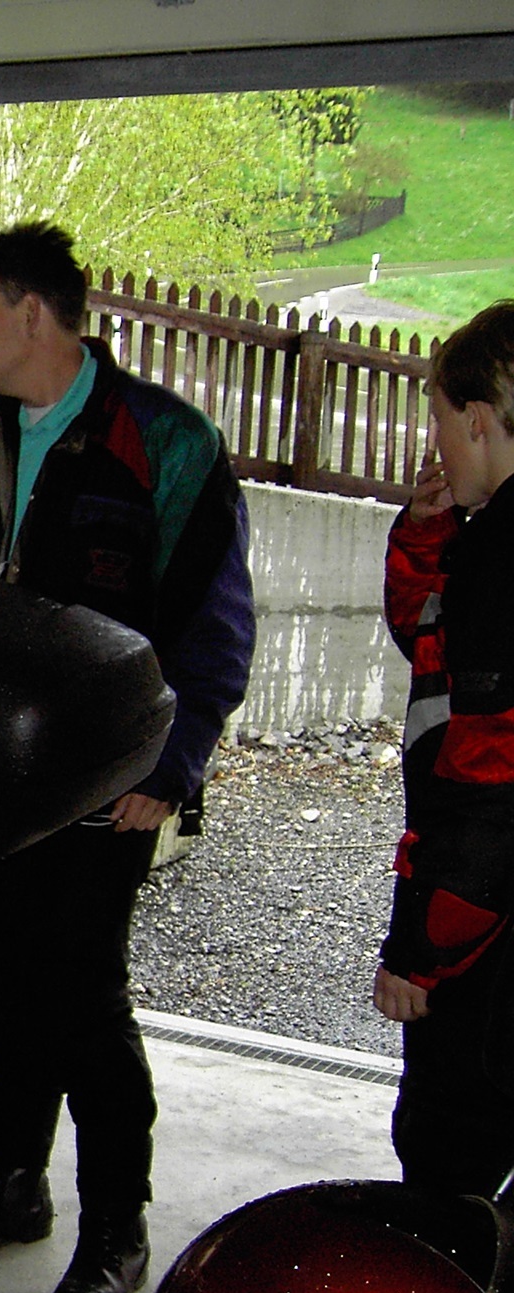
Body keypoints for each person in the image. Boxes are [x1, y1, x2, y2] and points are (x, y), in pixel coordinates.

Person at [0, 222, 255, 1293]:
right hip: (0, 780)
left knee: (81, 997)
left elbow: (215, 628)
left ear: (33, 314)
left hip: (110, 784)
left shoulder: (165, 442)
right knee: (4, 980)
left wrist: (172, 767)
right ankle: (12, 1181)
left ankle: (116, 1221)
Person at [375, 301, 514, 1196]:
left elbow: (488, 790)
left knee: (449, 1162)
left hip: (490, 948)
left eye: (438, 420)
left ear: (478, 419)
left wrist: (417, 949)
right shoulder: (482, 545)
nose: (435, 444)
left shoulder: (500, 563)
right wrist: (429, 536)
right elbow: (434, 652)